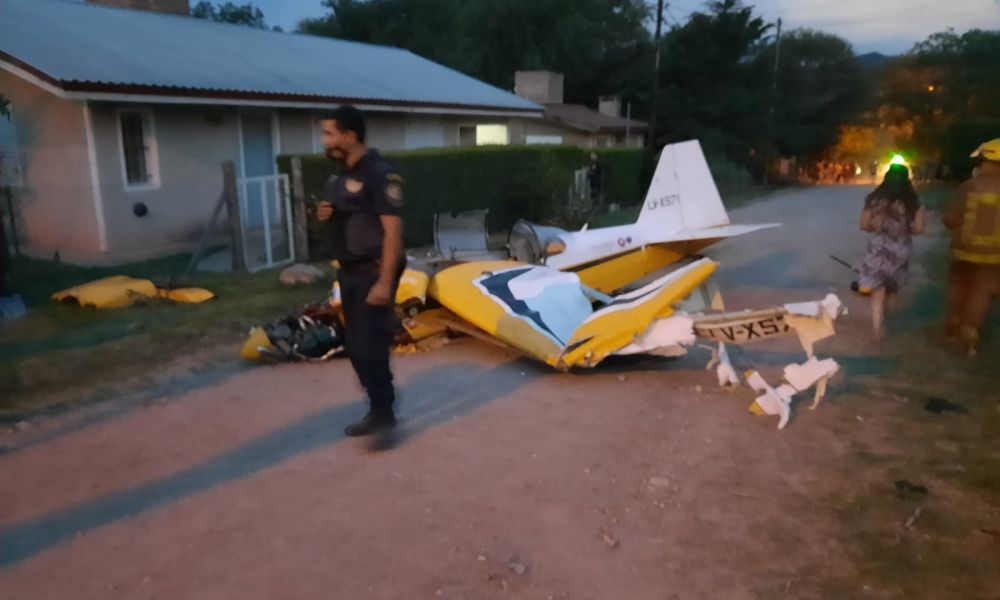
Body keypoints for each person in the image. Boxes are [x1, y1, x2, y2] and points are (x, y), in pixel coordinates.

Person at [316, 106, 405, 436]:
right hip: (349, 270)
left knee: (370, 345)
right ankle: (378, 407)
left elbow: (393, 231)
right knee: (355, 346)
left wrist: (384, 282)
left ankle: (384, 414)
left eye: (329, 134)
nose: (324, 141)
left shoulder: (380, 173)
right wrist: (324, 215)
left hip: (374, 270)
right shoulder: (338, 178)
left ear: (349, 136)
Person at [942, 138, 1000, 356]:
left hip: (962, 250)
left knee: (957, 285)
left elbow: (950, 219)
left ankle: (952, 325)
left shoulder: (968, 187)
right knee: (982, 292)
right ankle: (970, 335)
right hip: (994, 257)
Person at [858, 163, 926, 340]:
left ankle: (877, 327)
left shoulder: (873, 200)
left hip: (879, 248)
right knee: (892, 286)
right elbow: (919, 229)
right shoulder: (913, 202)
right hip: (901, 249)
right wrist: (904, 229)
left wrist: (879, 227)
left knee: (877, 289)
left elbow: (864, 225)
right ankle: (888, 317)